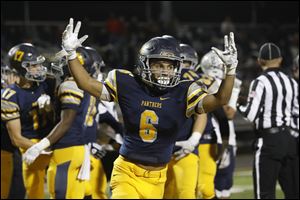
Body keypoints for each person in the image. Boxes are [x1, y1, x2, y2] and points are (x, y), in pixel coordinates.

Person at [27, 18, 238, 199]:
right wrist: (71, 54)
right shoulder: (128, 83)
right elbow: (87, 84)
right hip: (127, 171)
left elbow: (220, 99)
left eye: (169, 66)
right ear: (146, 64)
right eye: (158, 65)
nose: (164, 71)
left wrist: (230, 71)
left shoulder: (184, 90)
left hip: (158, 177)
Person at [238, 42, 299, 199]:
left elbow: (250, 114)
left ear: (260, 61)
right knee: (293, 193)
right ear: (280, 59)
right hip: (290, 140)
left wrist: (237, 104)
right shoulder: (291, 82)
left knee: (264, 194)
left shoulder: (260, 82)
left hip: (269, 141)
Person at [1, 43, 55, 198]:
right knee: (32, 191)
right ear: (19, 68)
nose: (38, 68)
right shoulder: (10, 96)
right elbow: (16, 138)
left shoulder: (47, 83)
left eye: (39, 64)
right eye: (33, 65)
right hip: (30, 145)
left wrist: (52, 108)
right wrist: (40, 147)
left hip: (53, 139)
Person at [163, 42, 207, 199]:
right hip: (162, 149)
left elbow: (201, 112)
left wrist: (193, 141)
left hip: (182, 148)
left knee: (183, 194)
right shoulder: (157, 82)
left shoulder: (188, 83)